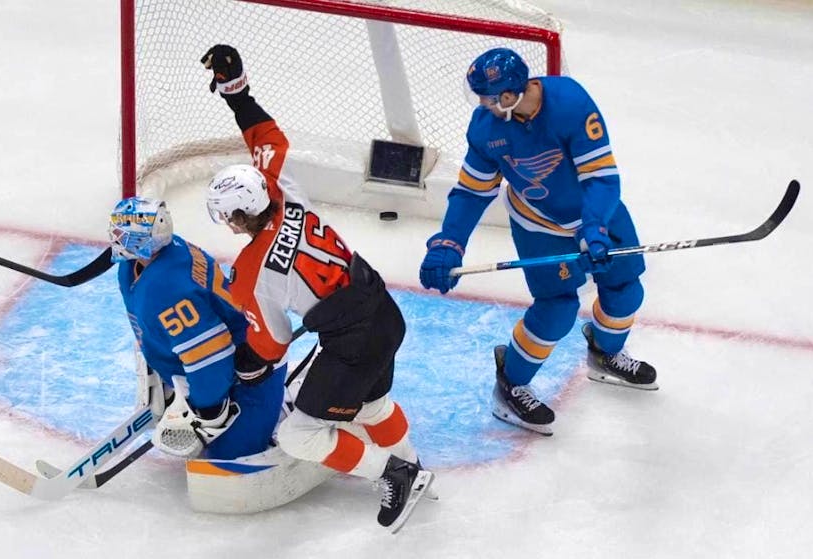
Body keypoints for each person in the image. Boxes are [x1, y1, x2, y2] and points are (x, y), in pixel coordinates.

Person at [200, 44, 433, 532]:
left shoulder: (251, 271)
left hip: (353, 342)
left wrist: (241, 371)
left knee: (299, 436)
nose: (228, 225)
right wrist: (235, 91)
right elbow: (267, 137)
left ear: (241, 215)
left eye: (227, 216)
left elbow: (271, 343)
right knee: (371, 405)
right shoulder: (285, 192)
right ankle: (414, 465)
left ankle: (393, 473)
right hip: (383, 310)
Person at [419, 47, 658, 437]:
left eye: (489, 96)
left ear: (511, 94)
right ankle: (511, 382)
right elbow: (471, 193)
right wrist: (448, 242)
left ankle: (606, 353)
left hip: (600, 211)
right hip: (539, 224)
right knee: (557, 310)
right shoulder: (486, 129)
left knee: (626, 289)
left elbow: (600, 176)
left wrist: (594, 226)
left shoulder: (570, 102)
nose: (482, 104)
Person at [108, 196, 285, 461]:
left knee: (227, 458)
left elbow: (210, 359)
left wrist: (208, 409)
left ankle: (282, 408)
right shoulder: (153, 257)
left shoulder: (167, 289)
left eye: (122, 232)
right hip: (215, 361)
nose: (115, 237)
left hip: (250, 367)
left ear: (144, 241)